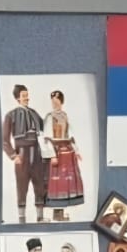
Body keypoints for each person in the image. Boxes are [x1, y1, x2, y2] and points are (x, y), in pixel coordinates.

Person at [2, 85, 48, 223]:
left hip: (37, 153)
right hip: (22, 154)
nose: (27, 98)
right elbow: (4, 139)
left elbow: (45, 128)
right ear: (17, 98)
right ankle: (21, 219)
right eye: (23, 96)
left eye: (27, 95)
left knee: (40, 185)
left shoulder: (34, 113)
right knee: (22, 186)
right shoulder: (11, 115)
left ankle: (40, 217)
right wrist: (13, 155)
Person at [43, 90, 84, 221]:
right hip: (57, 152)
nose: (55, 104)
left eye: (57, 102)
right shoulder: (49, 117)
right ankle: (56, 213)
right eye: (53, 102)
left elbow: (71, 136)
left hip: (67, 152)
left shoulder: (65, 116)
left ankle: (61, 214)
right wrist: (52, 155)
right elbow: (46, 138)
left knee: (67, 183)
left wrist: (77, 151)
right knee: (57, 183)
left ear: (61, 102)